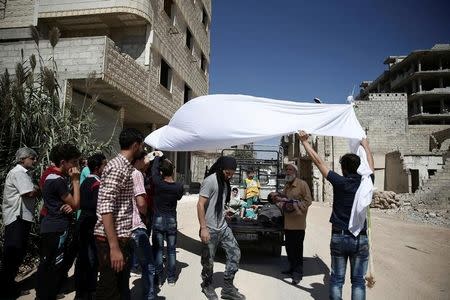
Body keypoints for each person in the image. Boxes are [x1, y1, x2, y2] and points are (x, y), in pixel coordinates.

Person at [298, 130, 374, 300]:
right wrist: (366, 146)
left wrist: (304, 142)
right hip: (360, 238)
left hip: (339, 237)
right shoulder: (367, 183)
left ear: (343, 169)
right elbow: (370, 167)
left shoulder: (340, 182)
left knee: (337, 279)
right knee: (358, 281)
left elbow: (318, 162)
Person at [93, 128, 144, 300]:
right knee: (108, 291)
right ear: (136, 145)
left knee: (120, 289)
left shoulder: (125, 167)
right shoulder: (117, 168)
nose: (143, 150)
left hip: (120, 238)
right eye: (142, 146)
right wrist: (114, 247)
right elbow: (105, 207)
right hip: (110, 241)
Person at [36, 144, 81, 300]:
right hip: (55, 227)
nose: (76, 166)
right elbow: (76, 204)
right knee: (52, 263)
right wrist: (76, 181)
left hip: (52, 225)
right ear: (63, 162)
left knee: (49, 262)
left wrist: (67, 204)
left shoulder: (52, 176)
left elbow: (67, 203)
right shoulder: (57, 180)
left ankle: (45, 293)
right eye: (74, 162)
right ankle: (45, 295)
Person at [197, 156, 246, 300]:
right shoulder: (210, 181)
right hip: (210, 228)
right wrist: (203, 228)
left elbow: (218, 203)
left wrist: (225, 213)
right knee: (208, 261)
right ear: (220, 169)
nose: (229, 176)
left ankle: (228, 289)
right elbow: (200, 205)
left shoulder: (225, 182)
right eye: (227, 173)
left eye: (232, 174)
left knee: (235, 253)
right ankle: (206, 285)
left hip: (223, 227)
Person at [1, 148, 39, 297]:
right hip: (16, 218)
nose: (35, 161)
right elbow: (29, 192)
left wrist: (35, 188)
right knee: (12, 254)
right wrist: (38, 189)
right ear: (23, 159)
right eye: (32, 158)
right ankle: (6, 290)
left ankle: (10, 287)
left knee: (16, 254)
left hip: (20, 217)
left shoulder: (22, 173)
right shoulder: (18, 173)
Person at [74, 153, 107, 300]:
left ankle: (82, 290)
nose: (106, 167)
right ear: (98, 167)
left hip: (83, 222)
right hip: (90, 225)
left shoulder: (85, 181)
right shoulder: (96, 184)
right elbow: (95, 206)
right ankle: (90, 290)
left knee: (84, 258)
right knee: (91, 259)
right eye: (104, 165)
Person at [151, 152, 184, 287]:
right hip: (171, 219)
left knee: (158, 249)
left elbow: (154, 170)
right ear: (172, 171)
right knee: (171, 250)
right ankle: (171, 278)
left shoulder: (158, 183)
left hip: (158, 219)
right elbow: (178, 197)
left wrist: (158, 157)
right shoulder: (178, 186)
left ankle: (158, 279)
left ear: (161, 172)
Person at [280, 163, 313, 285]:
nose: (287, 172)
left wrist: (297, 207)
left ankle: (297, 274)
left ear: (295, 172)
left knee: (297, 249)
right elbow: (284, 197)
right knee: (289, 247)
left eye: (290, 170)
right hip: (287, 222)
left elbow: (308, 200)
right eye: (286, 170)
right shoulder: (287, 185)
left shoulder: (302, 184)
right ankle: (291, 268)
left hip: (298, 222)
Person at [130, 150, 156, 299]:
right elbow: (141, 203)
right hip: (136, 224)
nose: (147, 160)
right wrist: (145, 215)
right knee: (148, 265)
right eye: (146, 157)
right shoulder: (137, 174)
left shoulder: (123, 171)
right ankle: (149, 296)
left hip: (123, 226)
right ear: (139, 159)